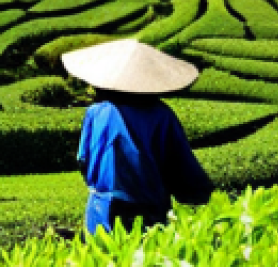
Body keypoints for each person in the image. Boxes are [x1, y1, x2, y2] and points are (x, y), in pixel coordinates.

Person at [61, 38, 214, 235]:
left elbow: (84, 160)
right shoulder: (162, 115)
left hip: (101, 210)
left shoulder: (96, 113)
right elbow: (181, 165)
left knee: (101, 252)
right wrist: (199, 195)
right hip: (148, 209)